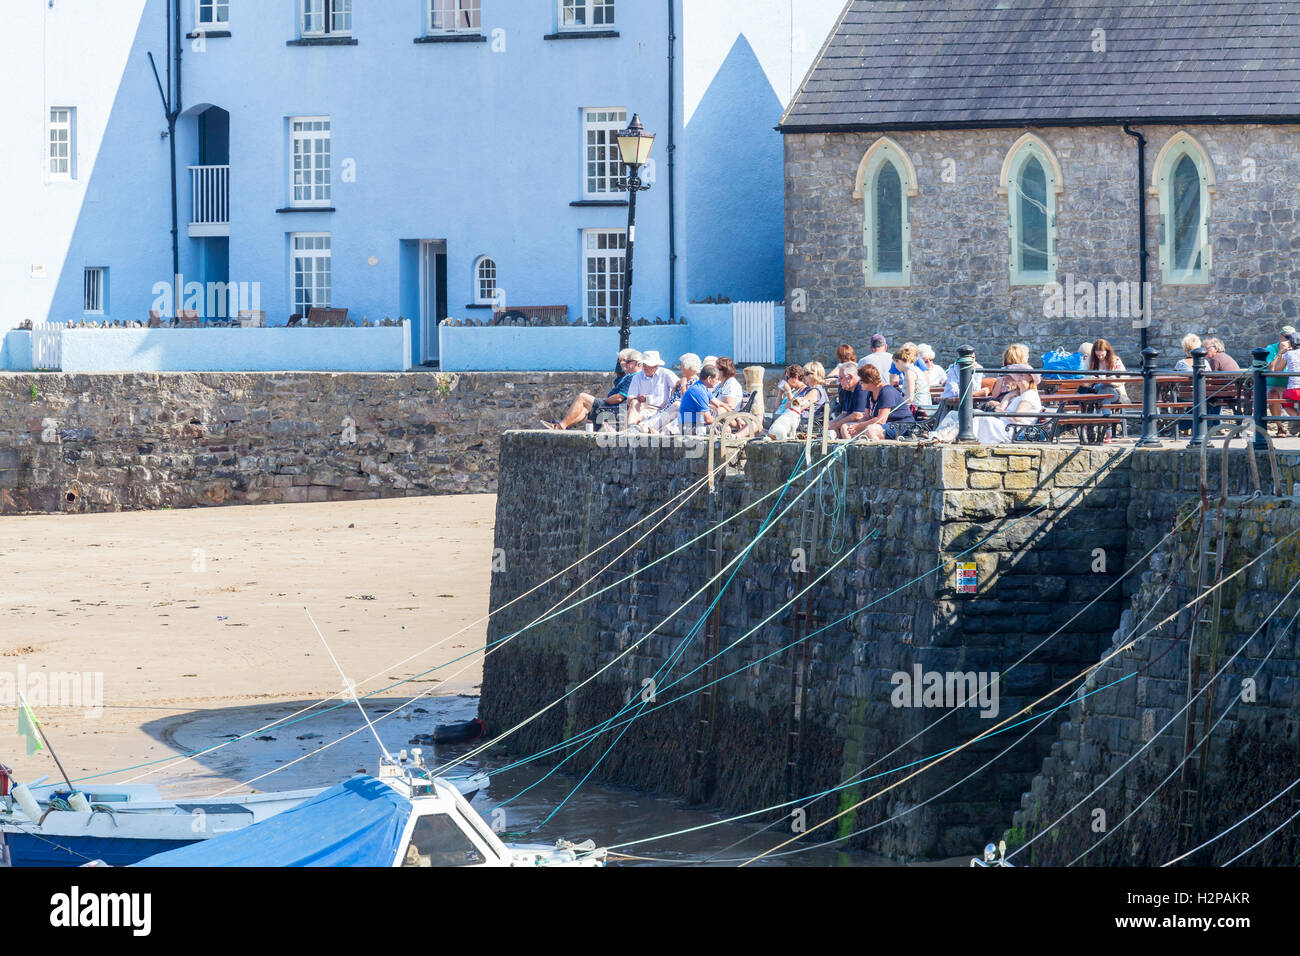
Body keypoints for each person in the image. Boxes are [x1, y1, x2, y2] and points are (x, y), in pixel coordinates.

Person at [933, 365, 1042, 444]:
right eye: (1017, 375)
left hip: (1011, 430)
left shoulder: (1029, 395)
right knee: (954, 414)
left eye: (1022, 375)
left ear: (1030, 377)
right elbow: (999, 409)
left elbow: (1017, 417)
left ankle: (946, 439)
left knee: (976, 416)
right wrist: (1008, 397)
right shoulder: (1018, 395)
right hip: (1003, 424)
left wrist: (1003, 412)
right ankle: (936, 436)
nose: (1018, 378)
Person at [543, 349, 641, 430]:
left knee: (582, 397)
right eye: (621, 361)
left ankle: (561, 426)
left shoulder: (633, 377)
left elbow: (619, 397)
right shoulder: (630, 376)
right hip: (614, 407)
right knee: (585, 408)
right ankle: (565, 426)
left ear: (636, 363)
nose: (623, 364)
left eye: (626, 361)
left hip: (615, 408)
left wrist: (604, 400)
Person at [767, 362, 828, 440]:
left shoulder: (815, 392)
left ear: (814, 375)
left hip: (801, 422)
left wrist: (788, 391)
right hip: (793, 420)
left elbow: (796, 407)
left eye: (806, 374)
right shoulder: (809, 389)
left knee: (761, 419)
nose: (803, 376)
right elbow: (789, 405)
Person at [638, 353, 699, 433]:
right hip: (666, 411)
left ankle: (646, 428)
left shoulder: (695, 382)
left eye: (682, 365)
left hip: (675, 413)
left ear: (689, 367)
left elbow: (684, 400)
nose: (680, 368)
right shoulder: (683, 381)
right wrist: (675, 388)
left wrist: (683, 385)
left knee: (676, 406)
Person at [859, 364, 915, 441]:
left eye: (861, 381)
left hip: (901, 426)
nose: (859, 384)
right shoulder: (870, 393)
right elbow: (867, 417)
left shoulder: (886, 391)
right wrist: (855, 426)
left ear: (869, 381)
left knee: (870, 430)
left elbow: (881, 420)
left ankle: (879, 452)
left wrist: (860, 426)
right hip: (886, 425)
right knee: (845, 427)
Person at [625, 350, 679, 427]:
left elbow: (678, 387)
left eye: (648, 366)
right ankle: (631, 429)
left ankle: (631, 429)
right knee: (634, 403)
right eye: (644, 365)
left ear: (656, 366)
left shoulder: (666, 374)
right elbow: (629, 399)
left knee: (641, 416)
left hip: (660, 408)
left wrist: (669, 400)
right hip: (641, 408)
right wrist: (639, 399)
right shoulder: (637, 377)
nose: (645, 368)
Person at [828, 362, 872, 438]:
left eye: (841, 378)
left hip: (867, 422)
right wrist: (832, 423)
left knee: (844, 427)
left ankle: (847, 449)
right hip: (856, 421)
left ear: (850, 377)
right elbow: (844, 414)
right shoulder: (847, 388)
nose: (839, 380)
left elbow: (858, 415)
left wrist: (836, 424)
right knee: (832, 426)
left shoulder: (861, 387)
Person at [1264, 326, 1297, 427]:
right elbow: (1271, 368)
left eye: (1292, 337)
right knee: (1273, 394)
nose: (1289, 340)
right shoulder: (1271, 348)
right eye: (1287, 337)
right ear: (1280, 337)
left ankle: (1296, 422)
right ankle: (1280, 427)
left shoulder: (1297, 349)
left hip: (1291, 384)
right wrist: (1280, 353)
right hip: (1275, 384)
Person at [1269, 332, 1300, 436]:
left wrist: (1281, 353)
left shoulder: (1288, 354)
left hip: (1293, 390)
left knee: (1285, 401)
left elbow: (1277, 370)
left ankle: (1296, 418)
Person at [678, 363, 716, 435]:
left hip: (689, 424)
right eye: (717, 379)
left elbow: (719, 404)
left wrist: (737, 419)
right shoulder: (699, 390)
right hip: (690, 427)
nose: (717, 381)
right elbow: (707, 419)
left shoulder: (700, 385)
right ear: (709, 379)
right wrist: (720, 421)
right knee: (726, 429)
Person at [892, 343, 927, 409]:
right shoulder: (915, 369)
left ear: (898, 361)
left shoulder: (910, 372)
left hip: (919, 409)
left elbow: (910, 398)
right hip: (923, 406)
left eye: (895, 364)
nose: (895, 367)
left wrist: (894, 402)